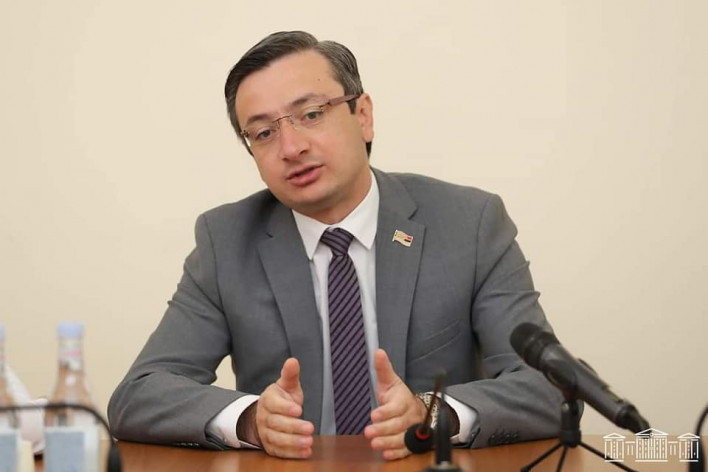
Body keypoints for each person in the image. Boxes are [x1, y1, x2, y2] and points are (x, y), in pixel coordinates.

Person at [108, 30, 563, 460]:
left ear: (362, 116)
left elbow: (549, 388)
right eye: (264, 133)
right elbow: (138, 395)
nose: (291, 147)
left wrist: (433, 414)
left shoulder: (468, 224)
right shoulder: (226, 240)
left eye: (311, 114)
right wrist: (250, 420)